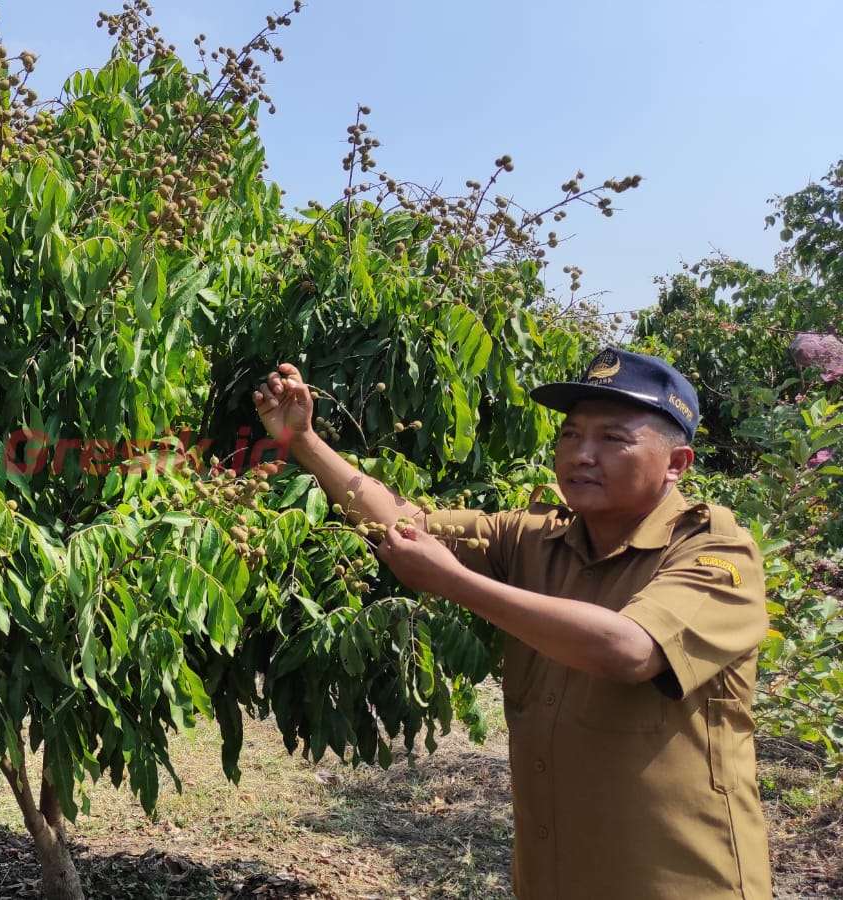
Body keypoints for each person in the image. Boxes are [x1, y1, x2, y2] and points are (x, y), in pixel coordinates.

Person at [254, 348, 771, 899]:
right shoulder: (536, 537)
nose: (581, 455)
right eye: (571, 436)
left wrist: (455, 581)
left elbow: (630, 649)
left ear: (677, 463)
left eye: (612, 439)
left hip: (677, 882)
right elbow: (407, 525)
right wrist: (304, 441)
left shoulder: (717, 553)